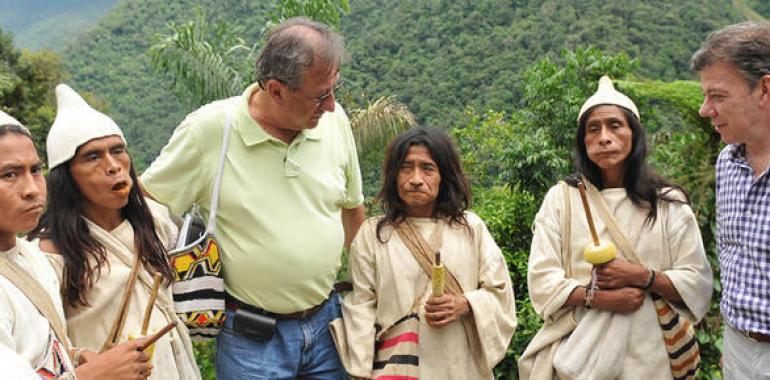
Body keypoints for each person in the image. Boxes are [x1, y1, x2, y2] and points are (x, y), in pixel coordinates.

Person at [141, 17, 365, 378]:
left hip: (328, 324)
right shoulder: (212, 130)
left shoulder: (333, 122)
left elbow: (352, 211)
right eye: (320, 95)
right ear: (276, 90)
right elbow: (147, 203)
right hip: (251, 338)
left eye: (334, 89)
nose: (331, 105)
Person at [519, 76, 713, 379]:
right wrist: (596, 297)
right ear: (583, 141)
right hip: (581, 355)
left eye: (615, 125)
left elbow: (697, 280)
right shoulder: (563, 199)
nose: (604, 137)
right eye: (593, 129)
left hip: (651, 358)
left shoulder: (667, 203)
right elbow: (542, 278)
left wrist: (643, 277)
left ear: (634, 135)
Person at [27, 84, 200, 380]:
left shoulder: (155, 221)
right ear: (67, 176)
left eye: (118, 151)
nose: (113, 166)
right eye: (93, 157)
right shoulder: (49, 255)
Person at [337, 127, 517, 379]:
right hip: (395, 368)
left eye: (428, 168)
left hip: (460, 367)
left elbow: (500, 294)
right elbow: (360, 306)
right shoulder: (373, 234)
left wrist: (465, 304)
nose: (416, 178)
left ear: (444, 175)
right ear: (394, 176)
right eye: (406, 167)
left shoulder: (470, 229)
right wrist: (362, 370)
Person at [0, 109, 152, 379]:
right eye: (9, 175)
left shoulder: (30, 256)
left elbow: (40, 347)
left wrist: (76, 356)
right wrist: (91, 375)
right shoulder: (49, 254)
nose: (32, 189)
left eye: (35, 171)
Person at [691, 21, 770, 379]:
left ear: (764, 90)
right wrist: (736, 345)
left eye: (718, 96)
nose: (705, 110)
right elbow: (732, 253)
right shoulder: (728, 161)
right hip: (739, 346)